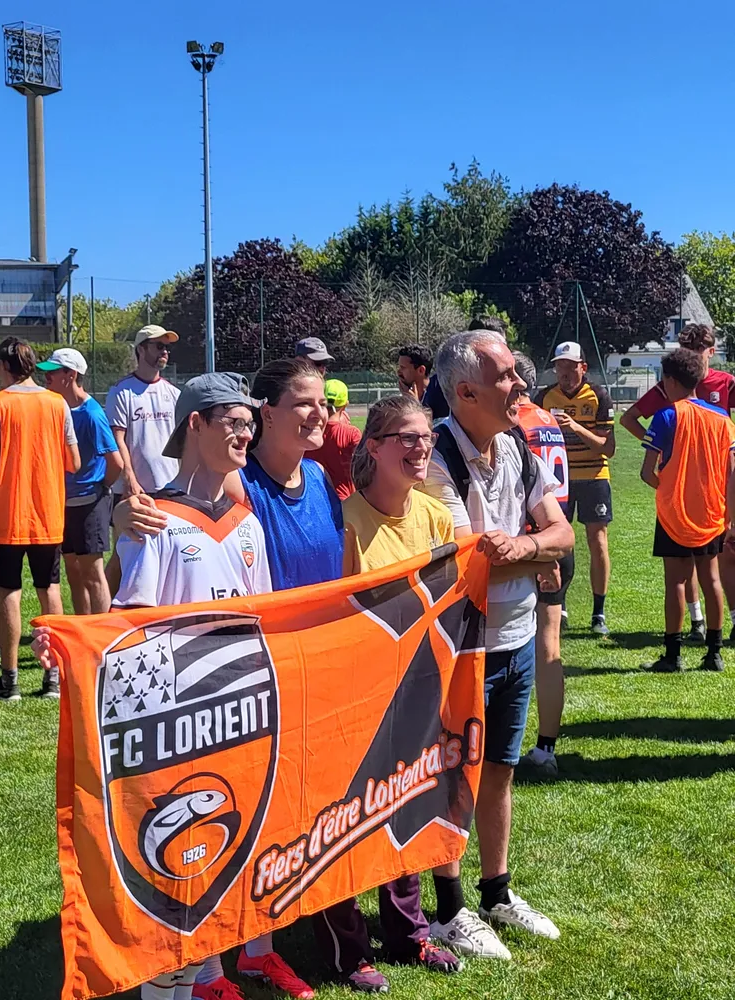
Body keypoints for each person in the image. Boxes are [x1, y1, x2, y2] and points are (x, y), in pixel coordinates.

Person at [113, 358, 456, 992]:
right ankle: (195, 966)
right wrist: (120, 512)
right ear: (265, 413)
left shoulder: (323, 487)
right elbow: (162, 541)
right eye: (302, 402)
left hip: (323, 674)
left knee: (329, 808)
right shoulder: (238, 493)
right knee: (237, 813)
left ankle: (255, 948)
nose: (318, 414)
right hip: (242, 685)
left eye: (322, 403)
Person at [35, 372, 305, 1000]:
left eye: (248, 422)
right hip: (176, 725)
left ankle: (206, 974)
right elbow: (130, 629)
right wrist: (79, 651)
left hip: (237, 714)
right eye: (232, 422)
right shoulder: (154, 519)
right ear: (195, 425)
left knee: (218, 859)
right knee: (172, 880)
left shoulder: (245, 521)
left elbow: (260, 615)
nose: (246, 432)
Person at [419, 330, 574, 958]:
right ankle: (450, 909)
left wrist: (527, 548)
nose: (520, 385)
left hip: (513, 636)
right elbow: (466, 562)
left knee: (501, 771)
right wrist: (528, 552)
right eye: (507, 375)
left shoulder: (514, 445)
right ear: (465, 391)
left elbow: (560, 534)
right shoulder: (434, 458)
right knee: (454, 774)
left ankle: (497, 893)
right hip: (460, 645)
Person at [333, 393, 465, 982]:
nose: (420, 447)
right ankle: (350, 947)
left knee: (404, 810)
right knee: (346, 820)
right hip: (354, 693)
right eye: (406, 438)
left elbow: (450, 598)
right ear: (375, 448)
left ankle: (409, 934)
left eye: (425, 437)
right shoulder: (347, 519)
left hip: (416, 689)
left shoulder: (435, 514)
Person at [0, 337, 80, 702]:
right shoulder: (57, 404)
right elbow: (74, 462)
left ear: (4, 367)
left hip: (8, 516)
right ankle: (53, 677)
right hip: (48, 515)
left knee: (10, 593)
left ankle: (10, 680)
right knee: (49, 590)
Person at [620, 324, 735, 641]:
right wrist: (658, 444)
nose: (696, 353)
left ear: (711, 351)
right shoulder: (686, 398)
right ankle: (705, 633)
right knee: (702, 570)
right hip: (703, 491)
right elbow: (628, 418)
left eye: (701, 348)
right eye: (691, 348)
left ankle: (684, 646)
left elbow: (646, 473)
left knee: (691, 571)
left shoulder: (721, 386)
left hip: (702, 489)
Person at [510, 352, 573, 778]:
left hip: (536, 544)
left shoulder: (516, 426)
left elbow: (525, 487)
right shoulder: (549, 420)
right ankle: (546, 746)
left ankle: (507, 742)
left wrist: (535, 549)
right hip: (559, 535)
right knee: (548, 644)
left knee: (533, 646)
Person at [533, 341, 615, 635]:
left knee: (598, 540)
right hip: (558, 480)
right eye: (559, 366)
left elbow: (608, 448)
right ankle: (559, 603)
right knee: (558, 540)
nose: (564, 372)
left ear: (584, 367)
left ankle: (598, 613)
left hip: (593, 477)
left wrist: (576, 427)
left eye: (570, 366)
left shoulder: (599, 396)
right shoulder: (543, 397)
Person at [37, 347, 123, 615]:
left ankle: (104, 637)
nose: (45, 377)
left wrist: (100, 488)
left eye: (53, 372)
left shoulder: (92, 414)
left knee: (92, 574)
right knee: (73, 572)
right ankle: (82, 632)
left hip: (89, 503)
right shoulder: (57, 408)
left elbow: (116, 463)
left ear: (71, 375)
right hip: (62, 503)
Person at [106, 325, 182, 500]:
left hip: (170, 487)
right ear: (141, 348)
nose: (165, 352)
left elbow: (182, 442)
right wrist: (129, 477)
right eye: (159, 346)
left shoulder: (174, 393)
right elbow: (118, 440)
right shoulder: (121, 392)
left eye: (167, 348)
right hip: (135, 489)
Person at [311, 378, 362, 499]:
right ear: (345, 405)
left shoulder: (308, 430)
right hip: (342, 500)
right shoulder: (351, 433)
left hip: (312, 498)